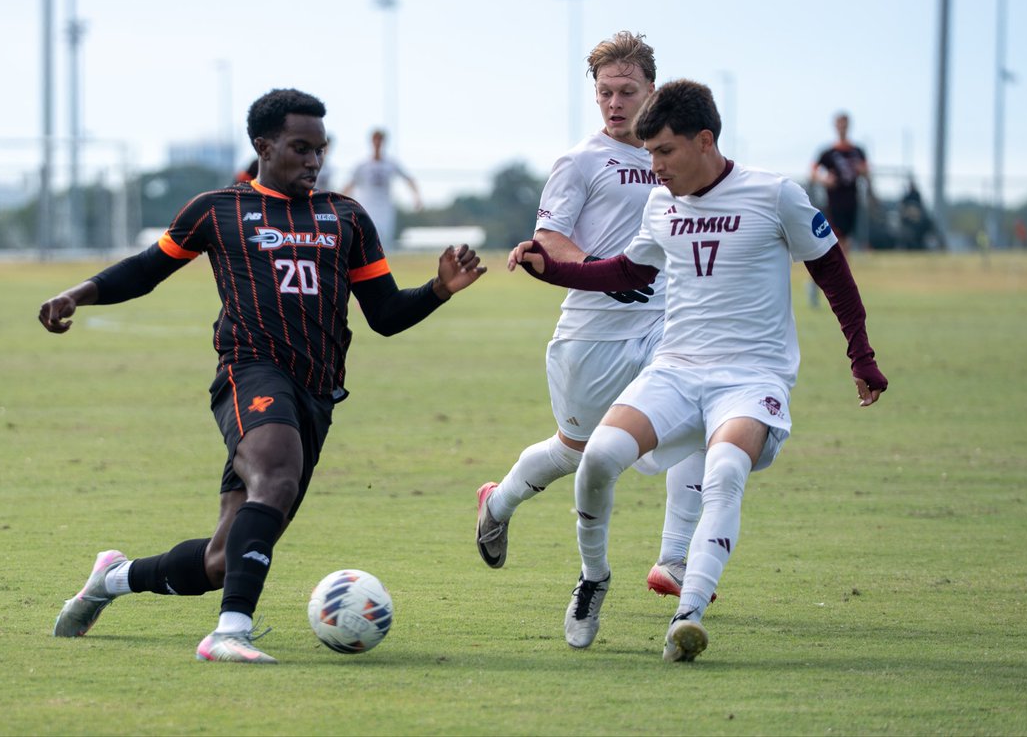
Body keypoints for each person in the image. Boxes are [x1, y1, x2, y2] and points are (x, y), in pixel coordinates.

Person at [40, 88, 486, 664]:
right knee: (274, 476)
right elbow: (147, 269)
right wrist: (78, 294)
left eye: (320, 151)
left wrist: (439, 290)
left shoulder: (345, 217)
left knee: (223, 560)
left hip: (317, 394)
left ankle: (113, 578)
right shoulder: (217, 209)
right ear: (264, 145)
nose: (313, 161)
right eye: (300, 148)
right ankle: (229, 632)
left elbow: (385, 316)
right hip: (248, 372)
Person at [509, 79, 887, 662]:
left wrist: (860, 355)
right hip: (676, 371)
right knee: (599, 457)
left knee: (725, 470)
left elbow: (832, 271)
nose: (654, 166)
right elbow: (625, 273)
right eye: (648, 152)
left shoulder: (774, 194)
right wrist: (551, 271)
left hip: (751, 378)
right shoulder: (662, 204)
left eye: (663, 151)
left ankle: (689, 614)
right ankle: (594, 578)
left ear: (704, 140)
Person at [472, 32, 708, 645]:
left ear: (652, 90)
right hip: (592, 334)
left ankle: (674, 561)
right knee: (577, 453)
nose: (615, 103)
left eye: (627, 91)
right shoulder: (580, 162)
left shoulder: (675, 158)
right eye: (604, 92)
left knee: (703, 426)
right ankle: (497, 504)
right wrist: (604, 273)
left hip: (668, 326)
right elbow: (551, 240)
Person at [341, 129, 423, 248]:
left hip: (385, 209)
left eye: (380, 140)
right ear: (372, 141)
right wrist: (341, 204)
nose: (378, 143)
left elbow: (409, 179)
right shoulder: (362, 165)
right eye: (376, 139)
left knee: (384, 242)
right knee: (366, 239)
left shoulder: (391, 163)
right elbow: (349, 184)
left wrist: (417, 197)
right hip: (367, 207)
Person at [810, 112, 869, 254]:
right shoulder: (829, 153)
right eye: (840, 124)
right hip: (835, 200)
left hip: (851, 198)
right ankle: (837, 270)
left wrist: (862, 171)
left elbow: (866, 170)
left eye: (845, 124)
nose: (842, 127)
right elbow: (813, 171)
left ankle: (843, 270)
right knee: (836, 236)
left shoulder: (857, 151)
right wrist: (824, 179)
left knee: (846, 237)